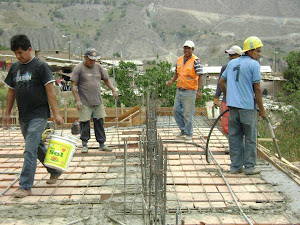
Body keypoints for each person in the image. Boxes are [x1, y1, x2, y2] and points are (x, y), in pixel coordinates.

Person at [4, 34, 64, 198]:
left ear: (29, 49)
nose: (18, 56)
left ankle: (25, 186)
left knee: (29, 149)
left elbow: (50, 91)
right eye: (16, 53)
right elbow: (11, 92)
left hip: (39, 115)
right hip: (24, 115)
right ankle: (54, 170)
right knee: (36, 146)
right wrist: (7, 113)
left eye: (21, 52)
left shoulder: (40, 66)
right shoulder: (15, 68)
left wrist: (56, 114)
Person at [219, 36, 266, 175]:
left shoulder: (232, 63)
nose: (259, 54)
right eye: (257, 51)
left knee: (234, 137)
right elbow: (257, 89)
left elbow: (221, 82)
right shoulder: (254, 65)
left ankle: (235, 167)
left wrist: (229, 96)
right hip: (247, 108)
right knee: (250, 137)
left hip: (233, 107)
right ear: (250, 51)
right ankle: (250, 168)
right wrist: (262, 110)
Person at [71, 48, 118, 153]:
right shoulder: (79, 68)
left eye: (94, 60)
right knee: (85, 123)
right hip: (84, 102)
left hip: (97, 101)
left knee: (99, 122)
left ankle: (102, 144)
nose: (92, 62)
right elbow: (73, 86)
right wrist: (77, 100)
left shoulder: (99, 67)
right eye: (90, 59)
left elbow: (106, 80)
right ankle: (84, 144)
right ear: (85, 57)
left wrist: (113, 90)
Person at [166, 40, 203, 140]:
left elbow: (201, 75)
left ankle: (189, 133)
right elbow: (176, 73)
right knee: (176, 110)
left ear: (192, 50)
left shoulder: (196, 61)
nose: (186, 50)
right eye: (185, 48)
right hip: (180, 90)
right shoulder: (179, 60)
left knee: (188, 113)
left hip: (190, 91)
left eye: (189, 48)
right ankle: (183, 130)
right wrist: (171, 81)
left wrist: (199, 90)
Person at [214, 46, 242, 154]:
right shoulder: (225, 67)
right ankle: (232, 145)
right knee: (227, 126)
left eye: (232, 55)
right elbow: (220, 83)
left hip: (240, 102)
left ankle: (238, 147)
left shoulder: (244, 67)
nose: (230, 57)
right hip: (227, 100)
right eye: (229, 55)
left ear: (239, 56)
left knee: (238, 124)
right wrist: (217, 97)